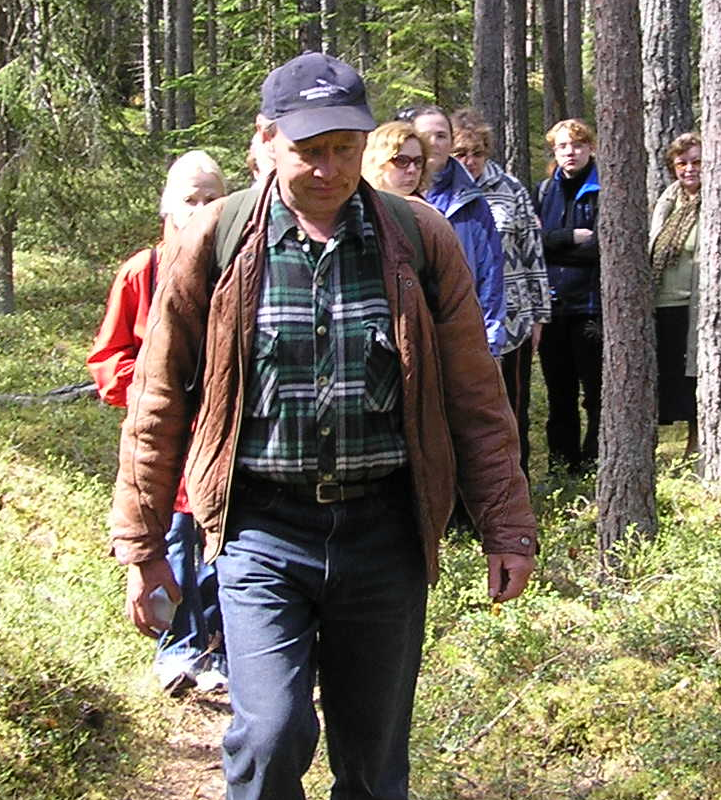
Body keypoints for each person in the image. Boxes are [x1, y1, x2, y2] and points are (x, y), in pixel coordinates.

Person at [106, 53, 538, 800]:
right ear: (268, 141)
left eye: (344, 148)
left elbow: (476, 396)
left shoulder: (418, 239)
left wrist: (507, 527)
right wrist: (143, 550)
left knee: (372, 765)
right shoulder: (213, 241)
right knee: (271, 736)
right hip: (260, 530)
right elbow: (156, 404)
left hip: (384, 532)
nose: (329, 169)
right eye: (310, 151)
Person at [88, 150, 230, 696]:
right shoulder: (141, 272)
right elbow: (108, 357)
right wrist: (154, 392)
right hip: (165, 442)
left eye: (210, 197)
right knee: (172, 545)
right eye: (189, 198)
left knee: (222, 542)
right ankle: (176, 648)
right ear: (167, 205)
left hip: (223, 437)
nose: (199, 208)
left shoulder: (236, 266)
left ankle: (218, 649)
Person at [449, 112, 551, 475]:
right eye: (461, 153)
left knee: (511, 409)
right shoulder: (440, 189)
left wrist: (539, 316)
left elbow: (532, 253)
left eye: (476, 153)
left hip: (512, 320)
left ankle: (515, 485)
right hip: (459, 320)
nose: (470, 161)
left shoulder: (511, 189)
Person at [403, 105, 510, 357]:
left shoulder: (471, 199)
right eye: (426, 135)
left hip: (461, 334)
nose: (434, 143)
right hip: (408, 336)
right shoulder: (392, 193)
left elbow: (490, 274)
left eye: (441, 136)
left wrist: (490, 342)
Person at [534, 118, 603, 475]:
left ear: (590, 148)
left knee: (596, 396)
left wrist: (555, 245)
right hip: (553, 307)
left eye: (576, 145)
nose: (570, 152)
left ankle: (595, 464)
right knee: (559, 395)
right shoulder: (544, 191)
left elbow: (602, 249)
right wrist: (569, 238)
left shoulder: (603, 188)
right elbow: (534, 243)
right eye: (562, 146)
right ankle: (562, 466)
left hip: (591, 307)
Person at [647, 132, 703, 453]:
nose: (689, 169)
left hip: (695, 306)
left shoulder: (716, 203)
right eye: (682, 163)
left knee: (695, 379)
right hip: (663, 305)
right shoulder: (666, 202)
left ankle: (695, 445)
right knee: (667, 378)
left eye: (697, 162)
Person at [360, 121, 430, 198]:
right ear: (378, 162)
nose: (412, 170)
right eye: (402, 161)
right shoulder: (359, 205)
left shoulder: (423, 208)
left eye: (418, 161)